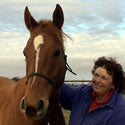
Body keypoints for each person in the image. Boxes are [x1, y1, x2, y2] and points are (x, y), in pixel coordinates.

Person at [59, 56, 125, 125]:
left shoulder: (120, 110)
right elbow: (64, 92)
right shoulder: (83, 93)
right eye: (96, 75)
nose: (97, 80)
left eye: (104, 78)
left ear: (113, 84)